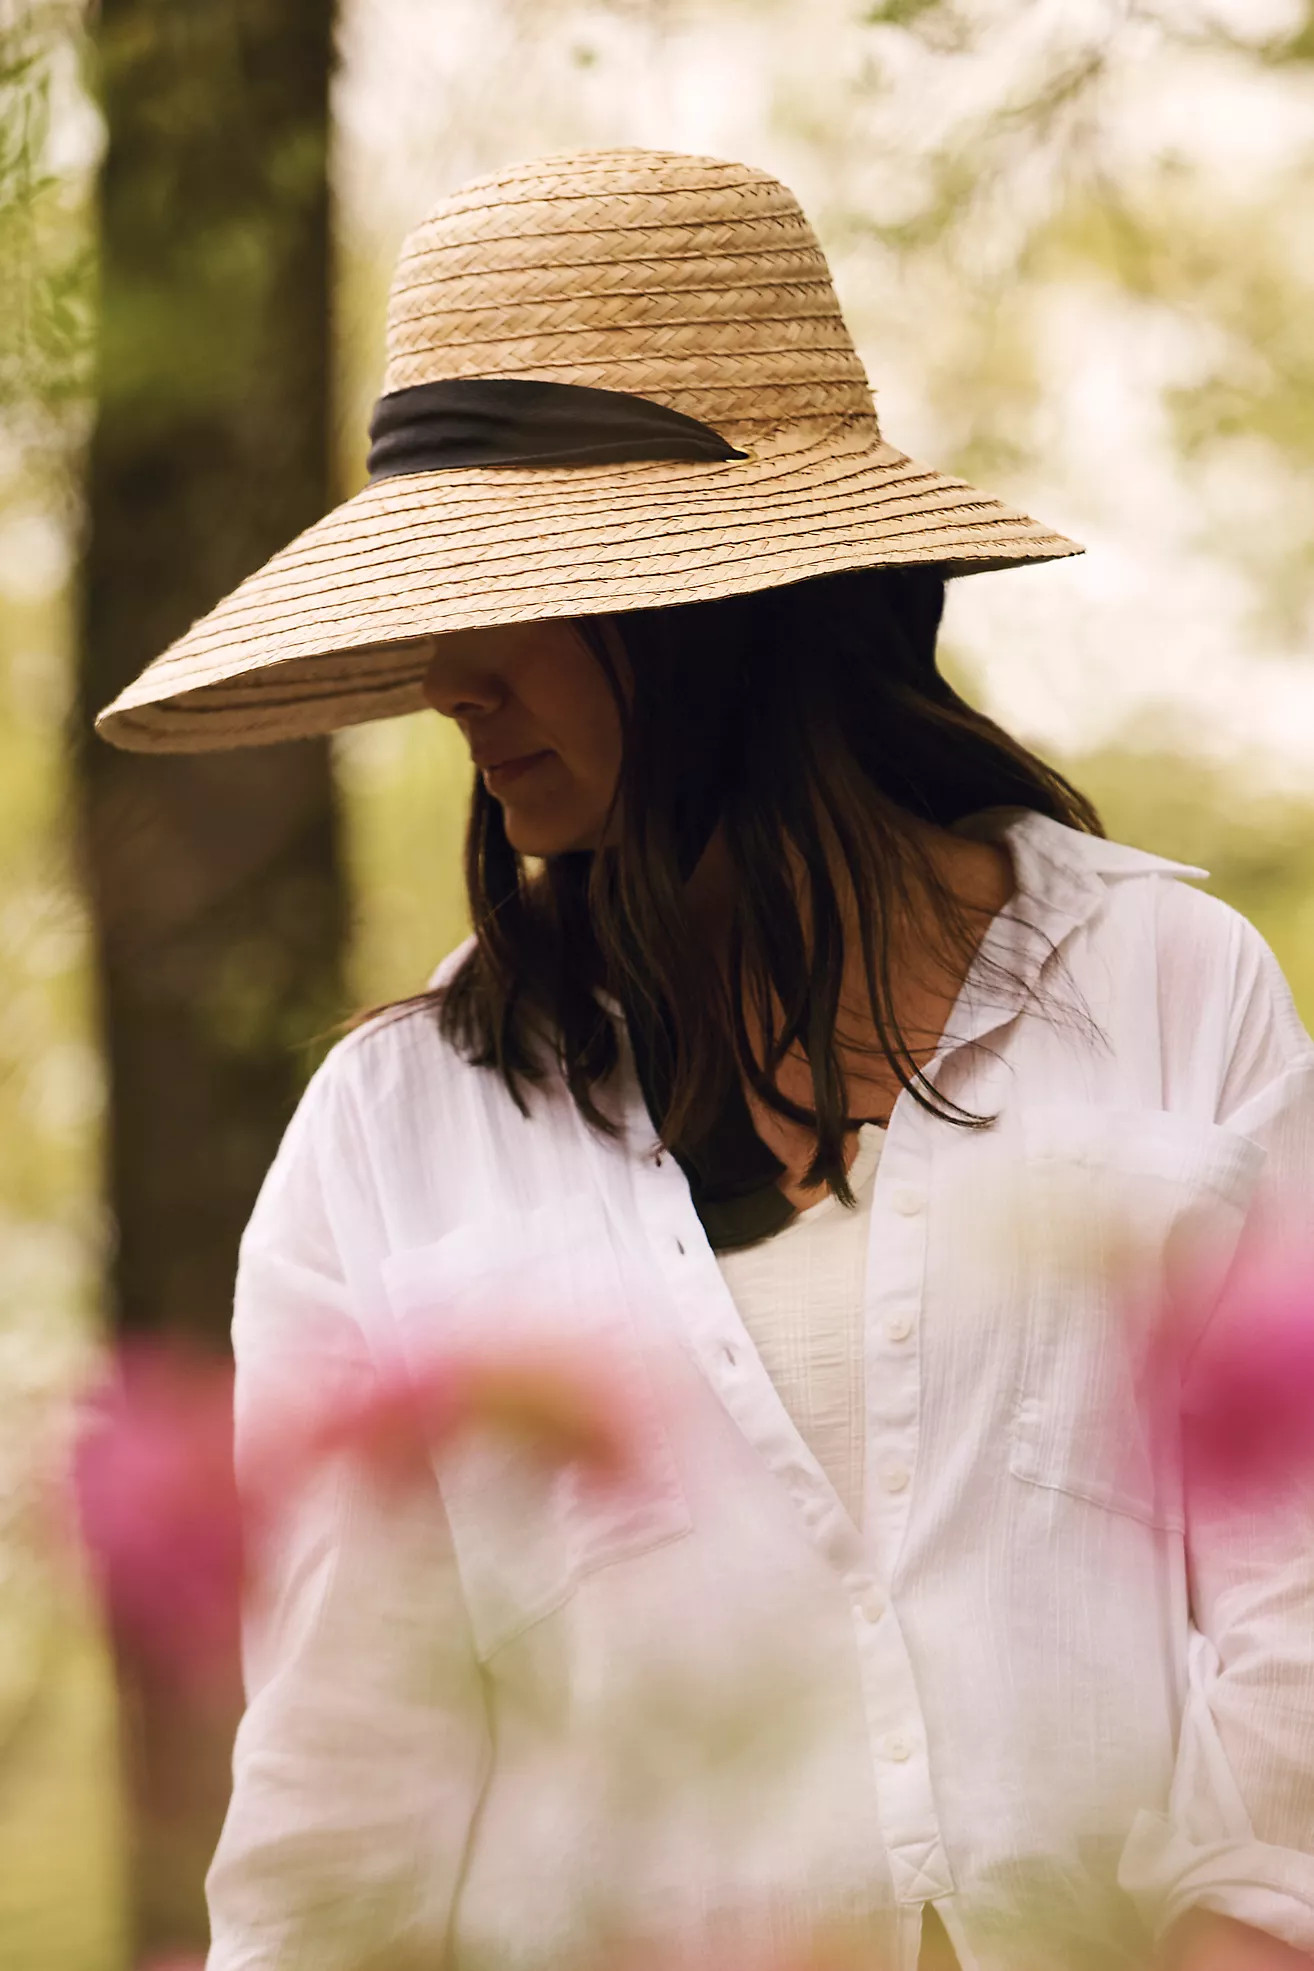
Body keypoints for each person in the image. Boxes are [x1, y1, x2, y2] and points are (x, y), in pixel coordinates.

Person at [96, 150, 1314, 1971]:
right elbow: (344, 1785)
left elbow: (1296, 1589)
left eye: (510, 593)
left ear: (717, 613)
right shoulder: (395, 1136)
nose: (448, 676)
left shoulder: (1163, 993)